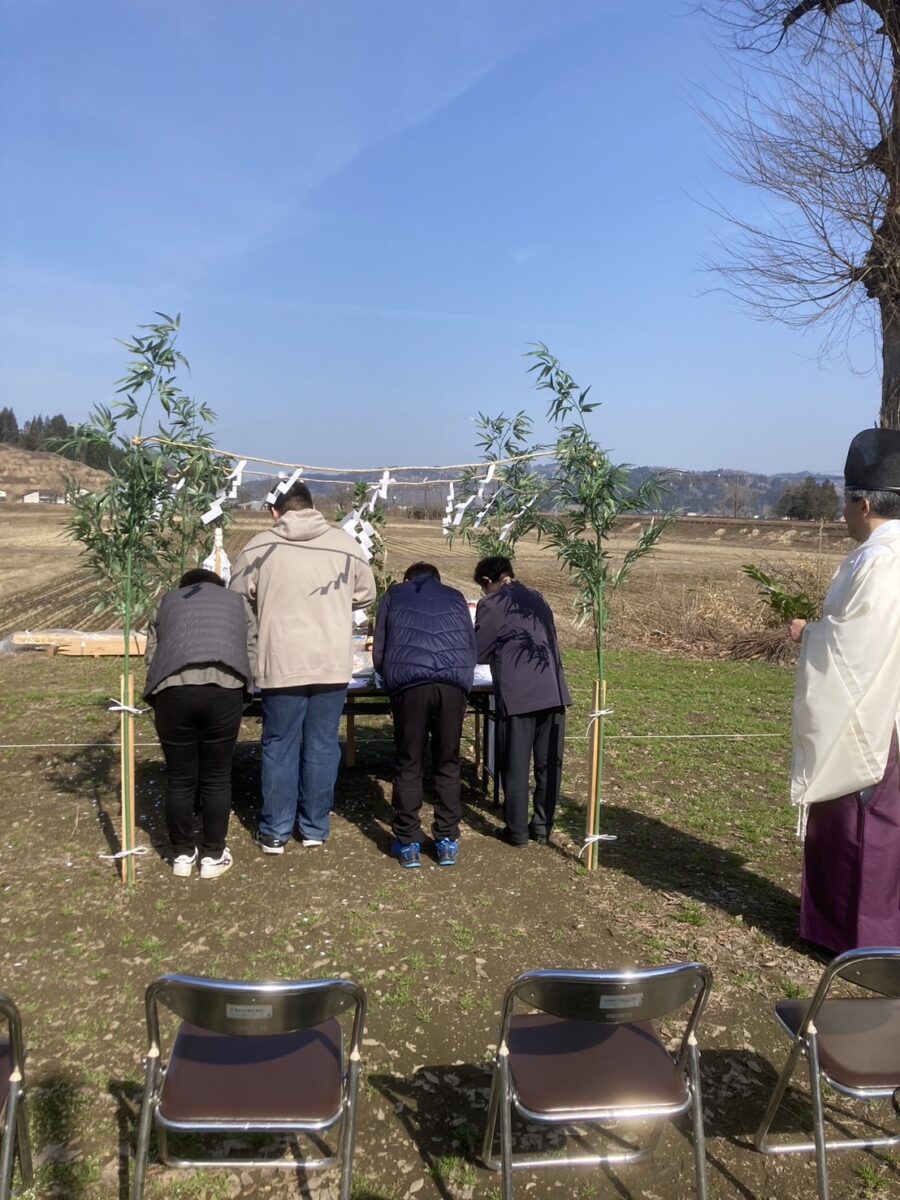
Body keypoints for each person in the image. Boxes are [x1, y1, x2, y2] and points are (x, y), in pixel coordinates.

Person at [790, 428, 900, 956]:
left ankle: (857, 939)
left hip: (872, 721)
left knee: (861, 831)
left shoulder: (878, 560)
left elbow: (858, 643)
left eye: (844, 501)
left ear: (862, 503)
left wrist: (808, 634)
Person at [230, 481, 376, 854]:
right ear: (312, 506)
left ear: (275, 511)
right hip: (331, 663)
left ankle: (275, 830)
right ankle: (314, 827)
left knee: (279, 743)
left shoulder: (260, 547)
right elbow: (367, 594)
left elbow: (236, 596)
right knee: (323, 743)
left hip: (281, 662)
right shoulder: (344, 545)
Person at [144, 567, 253, 879]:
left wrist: (156, 693)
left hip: (172, 690)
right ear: (217, 585)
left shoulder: (167, 601)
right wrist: (248, 686)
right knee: (217, 776)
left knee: (179, 777)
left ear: (184, 587)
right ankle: (212, 854)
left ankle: (181, 853)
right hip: (224, 686)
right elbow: (251, 646)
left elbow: (152, 651)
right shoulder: (236, 601)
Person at [373, 562, 476, 868]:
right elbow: (471, 646)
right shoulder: (456, 596)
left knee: (409, 761)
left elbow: (380, 649)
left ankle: (407, 842)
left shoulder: (394, 594)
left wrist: (388, 677)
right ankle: (446, 840)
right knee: (447, 761)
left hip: (409, 684)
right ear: (437, 578)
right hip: (451, 685)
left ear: (408, 578)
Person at [473, 555, 571, 847]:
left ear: (489, 582)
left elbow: (478, 652)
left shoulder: (492, 604)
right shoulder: (537, 598)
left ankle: (515, 831)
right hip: (553, 690)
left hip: (519, 696)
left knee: (515, 764)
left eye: (482, 588)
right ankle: (541, 827)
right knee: (548, 764)